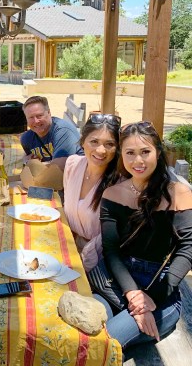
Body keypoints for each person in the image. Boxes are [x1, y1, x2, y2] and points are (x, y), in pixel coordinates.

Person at [92, 121, 192, 350]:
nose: (138, 161)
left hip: (160, 289)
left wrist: (150, 300)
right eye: (130, 153)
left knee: (106, 344)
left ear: (158, 151)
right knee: (84, 336)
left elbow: (188, 247)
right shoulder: (112, 194)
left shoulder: (178, 193)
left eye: (145, 152)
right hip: (116, 284)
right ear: (121, 155)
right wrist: (133, 295)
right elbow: (111, 250)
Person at [63, 113, 121, 272]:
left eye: (109, 144)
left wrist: (81, 261)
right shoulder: (72, 165)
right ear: (83, 142)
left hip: (99, 262)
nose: (101, 150)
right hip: (69, 248)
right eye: (94, 141)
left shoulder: (118, 183)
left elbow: (112, 237)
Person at [20, 95, 83, 167]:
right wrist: (27, 159)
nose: (36, 121)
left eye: (39, 115)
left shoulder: (62, 131)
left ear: (49, 113)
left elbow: (59, 167)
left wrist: (35, 165)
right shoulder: (26, 139)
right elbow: (28, 160)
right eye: (31, 117)